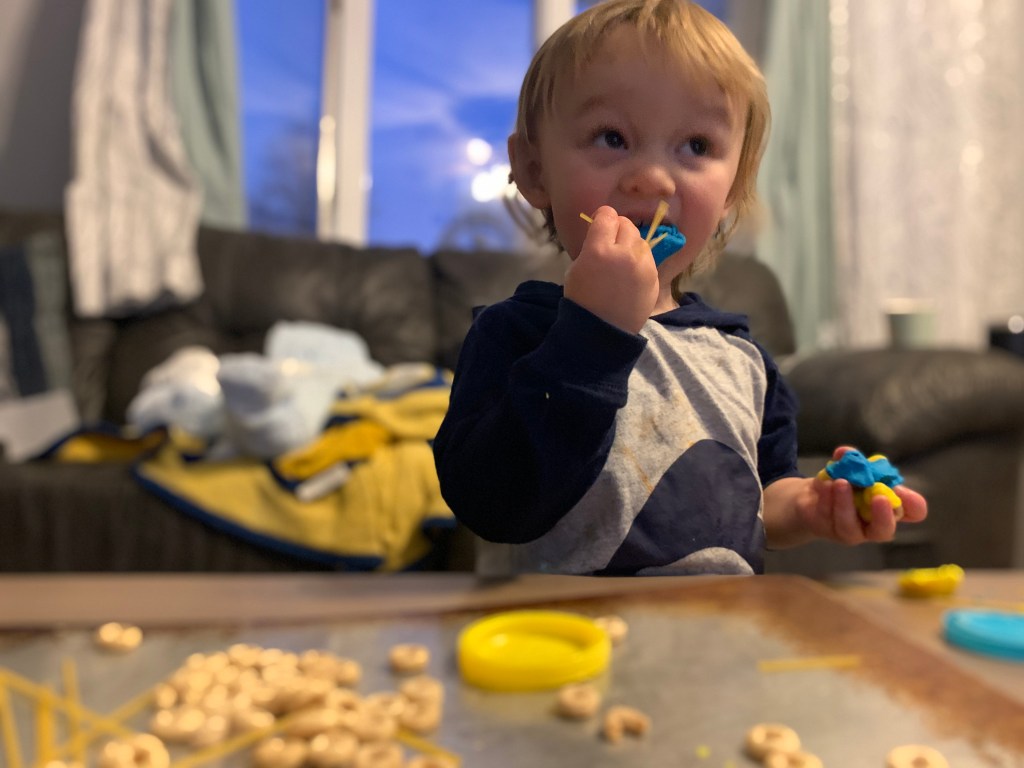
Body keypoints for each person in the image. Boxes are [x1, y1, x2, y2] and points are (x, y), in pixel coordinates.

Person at [433, 0, 927, 576]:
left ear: (732, 190)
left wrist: (810, 506)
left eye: (696, 146)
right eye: (612, 137)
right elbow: (493, 507)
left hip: (719, 628)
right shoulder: (514, 335)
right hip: (560, 629)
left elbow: (761, 499)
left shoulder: (742, 360)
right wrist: (592, 335)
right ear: (535, 170)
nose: (653, 178)